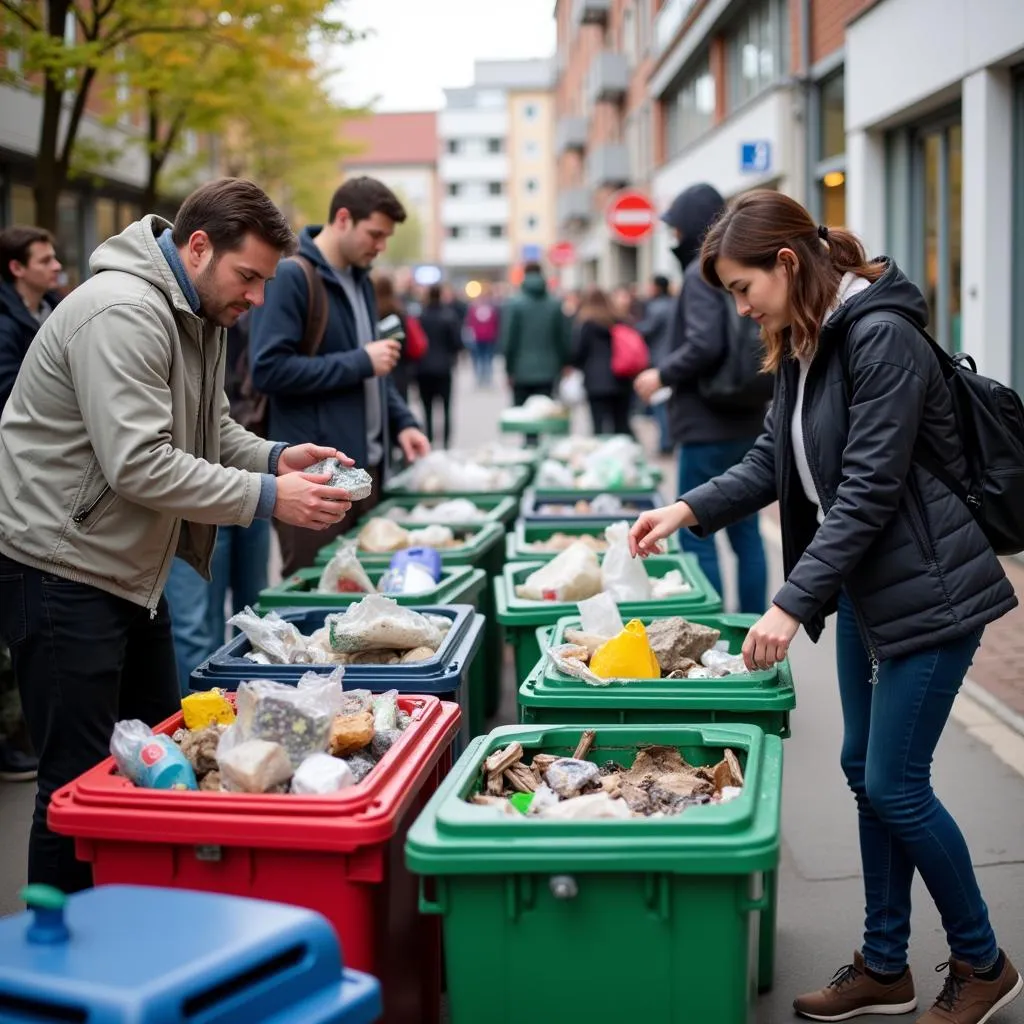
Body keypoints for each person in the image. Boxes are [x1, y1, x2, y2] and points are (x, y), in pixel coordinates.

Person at [629, 189, 1021, 1024]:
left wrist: (787, 602)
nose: (739, 308)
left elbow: (870, 489)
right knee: (862, 772)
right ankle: (885, 964)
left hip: (932, 592)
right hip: (869, 590)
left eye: (743, 289)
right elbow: (777, 457)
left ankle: (982, 962)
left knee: (895, 782)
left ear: (787, 263)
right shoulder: (811, 337)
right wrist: (687, 508)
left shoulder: (879, 337)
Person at [0, 178, 357, 892]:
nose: (256, 297)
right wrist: (267, 497)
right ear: (198, 247)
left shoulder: (197, 312)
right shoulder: (124, 312)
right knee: (78, 783)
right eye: (247, 276)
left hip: (129, 569)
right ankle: (59, 954)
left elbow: (209, 432)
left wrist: (277, 457)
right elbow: (139, 463)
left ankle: (136, 921)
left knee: (153, 757)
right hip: (63, 569)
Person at [250, 176, 430, 576]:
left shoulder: (362, 280)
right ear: (343, 219)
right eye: (375, 234)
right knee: (316, 596)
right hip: (319, 480)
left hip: (367, 474)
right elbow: (268, 369)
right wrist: (359, 362)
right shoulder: (291, 276)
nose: (381, 246)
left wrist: (403, 422)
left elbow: (375, 371)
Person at [634, 183, 768, 614]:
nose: (673, 239)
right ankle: (748, 627)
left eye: (676, 230)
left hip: (705, 421)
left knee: (696, 530)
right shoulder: (730, 268)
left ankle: (712, 630)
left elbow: (703, 343)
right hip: (746, 416)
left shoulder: (700, 272)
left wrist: (661, 373)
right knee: (747, 535)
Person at [0, 226, 63, 782]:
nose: (56, 266)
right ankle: (11, 738)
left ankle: (18, 735)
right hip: (22, 493)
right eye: (44, 259)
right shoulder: (7, 323)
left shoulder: (52, 309)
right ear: (17, 267)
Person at [500, 260, 572, 408]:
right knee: (545, 411)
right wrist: (565, 362)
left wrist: (508, 369)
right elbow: (563, 337)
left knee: (525, 415)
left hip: (521, 369)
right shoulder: (555, 304)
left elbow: (509, 339)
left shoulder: (515, 304)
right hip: (549, 368)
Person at [571, 286, 635, 437]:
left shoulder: (586, 323)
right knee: (621, 424)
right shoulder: (619, 320)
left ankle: (601, 457)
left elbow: (578, 351)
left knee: (598, 426)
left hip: (595, 380)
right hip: (621, 377)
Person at [416, 283, 463, 449]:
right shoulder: (449, 316)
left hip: (423, 369)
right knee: (446, 408)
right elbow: (457, 343)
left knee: (427, 409)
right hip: (444, 368)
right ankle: (446, 444)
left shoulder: (421, 316)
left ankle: (428, 441)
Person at [635, 275, 676, 455]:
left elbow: (647, 329)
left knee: (660, 405)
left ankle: (666, 442)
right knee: (669, 404)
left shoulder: (655, 307)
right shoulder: (676, 304)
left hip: (659, 359)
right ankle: (670, 440)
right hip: (675, 357)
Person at [373, 271, 418, 401]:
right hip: (398, 371)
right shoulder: (398, 313)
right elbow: (404, 345)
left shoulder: (371, 311)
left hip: (375, 371)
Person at [465, 281, 501, 386]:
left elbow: (496, 323)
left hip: (488, 337)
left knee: (487, 358)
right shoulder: (474, 308)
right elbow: (470, 323)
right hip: (479, 337)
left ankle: (486, 378)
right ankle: (480, 378)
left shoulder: (492, 308)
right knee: (480, 358)